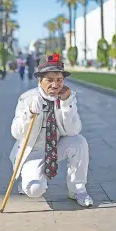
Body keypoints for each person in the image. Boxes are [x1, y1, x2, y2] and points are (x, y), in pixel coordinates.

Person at [10, 53, 93, 207]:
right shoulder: (27, 98)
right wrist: (28, 113)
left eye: (59, 80)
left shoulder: (68, 97)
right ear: (39, 80)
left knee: (79, 142)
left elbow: (73, 131)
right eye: (50, 80)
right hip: (33, 152)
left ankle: (77, 190)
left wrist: (66, 105)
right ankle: (27, 181)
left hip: (56, 146)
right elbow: (16, 133)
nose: (55, 85)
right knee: (35, 190)